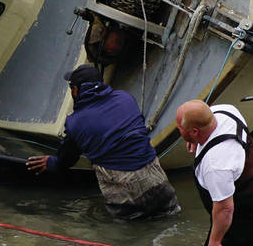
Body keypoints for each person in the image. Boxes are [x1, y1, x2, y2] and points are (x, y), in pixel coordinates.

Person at [24, 64, 180, 221]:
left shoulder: (76, 122)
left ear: (76, 90)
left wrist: (51, 162)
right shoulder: (126, 98)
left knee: (130, 233)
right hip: (158, 183)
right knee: (170, 219)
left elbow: (66, 160)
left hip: (126, 196)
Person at [173, 99, 253, 246]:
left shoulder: (216, 165)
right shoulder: (225, 110)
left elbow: (224, 208)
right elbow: (202, 117)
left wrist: (215, 243)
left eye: (179, 128)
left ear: (195, 131)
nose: (177, 130)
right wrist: (192, 138)